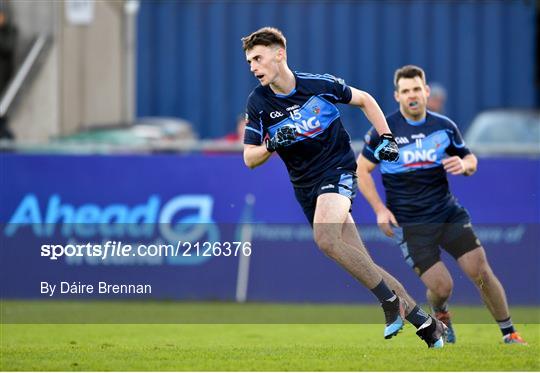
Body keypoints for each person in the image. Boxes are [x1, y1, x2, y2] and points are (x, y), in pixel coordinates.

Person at [241, 27, 446, 348]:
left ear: (279, 54)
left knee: (325, 239)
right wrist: (269, 145)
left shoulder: (317, 84)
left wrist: (387, 137)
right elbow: (249, 159)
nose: (253, 66)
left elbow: (365, 99)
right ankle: (425, 323)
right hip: (305, 187)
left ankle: (389, 303)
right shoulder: (258, 102)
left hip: (337, 169)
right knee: (363, 263)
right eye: (249, 61)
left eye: (258, 58)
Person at [356, 65, 527, 345]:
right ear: (397, 96)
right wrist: (379, 209)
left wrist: (464, 164)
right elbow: (362, 171)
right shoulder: (384, 132)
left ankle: (509, 333)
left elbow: (471, 160)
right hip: (411, 225)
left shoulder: (443, 127)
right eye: (405, 91)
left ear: (426, 92)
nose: (412, 95)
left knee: (480, 270)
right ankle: (440, 310)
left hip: (447, 213)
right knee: (442, 286)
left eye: (416, 89)